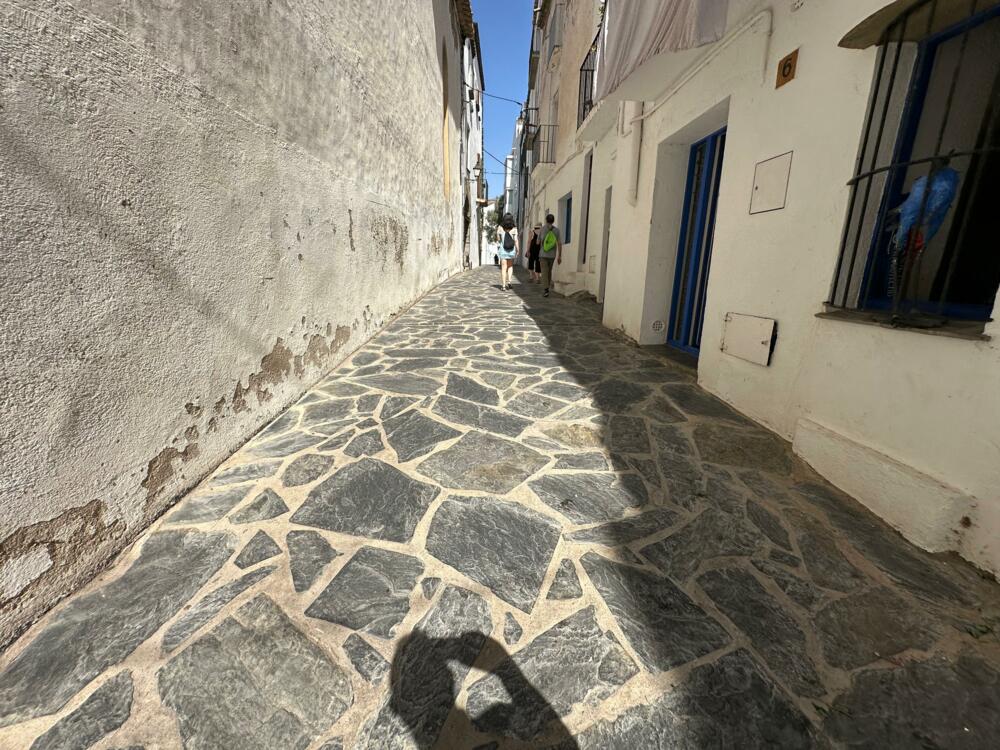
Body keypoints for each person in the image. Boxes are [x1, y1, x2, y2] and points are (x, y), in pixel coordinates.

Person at [539, 213, 562, 297]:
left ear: (546, 220)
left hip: (543, 254)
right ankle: (547, 287)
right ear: (553, 221)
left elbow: (538, 242)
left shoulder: (542, 229)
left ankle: (546, 289)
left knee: (544, 272)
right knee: (549, 271)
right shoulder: (557, 230)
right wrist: (559, 256)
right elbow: (559, 243)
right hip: (552, 255)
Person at [496, 213, 519, 290]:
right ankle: (509, 282)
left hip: (503, 250)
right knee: (510, 266)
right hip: (511, 250)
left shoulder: (500, 227)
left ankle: (503, 286)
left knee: (503, 268)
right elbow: (516, 240)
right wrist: (518, 249)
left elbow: (498, 239)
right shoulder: (514, 228)